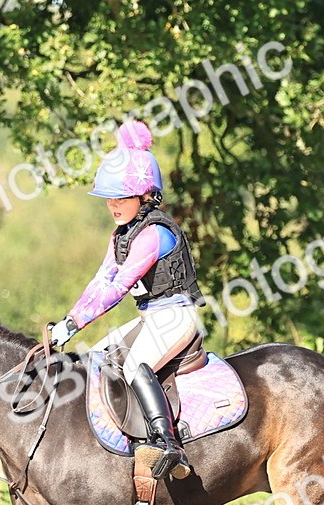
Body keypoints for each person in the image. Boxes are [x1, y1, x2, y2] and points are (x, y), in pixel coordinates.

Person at [47, 119, 205, 480]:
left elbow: (117, 288)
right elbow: (99, 280)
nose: (113, 206)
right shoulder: (120, 235)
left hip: (177, 317)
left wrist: (73, 326)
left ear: (146, 195)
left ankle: (168, 444)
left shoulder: (154, 234)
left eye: (121, 197)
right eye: (109, 198)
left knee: (134, 366)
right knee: (98, 359)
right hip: (152, 317)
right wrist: (66, 324)